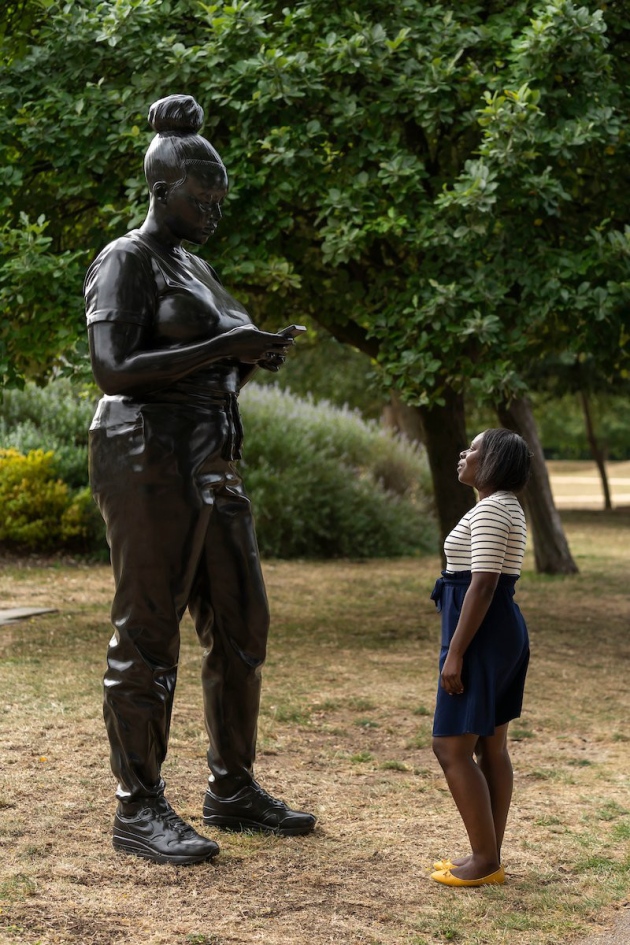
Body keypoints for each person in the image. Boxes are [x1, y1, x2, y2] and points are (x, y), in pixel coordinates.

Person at [84, 93, 316, 865]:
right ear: (162, 190)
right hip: (146, 453)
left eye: (220, 196)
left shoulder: (198, 265)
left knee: (243, 624)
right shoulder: (126, 259)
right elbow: (113, 369)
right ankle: (138, 804)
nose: (215, 207)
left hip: (215, 456)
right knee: (148, 630)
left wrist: (247, 355)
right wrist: (225, 349)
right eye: (201, 196)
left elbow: (215, 368)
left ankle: (233, 786)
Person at [428, 428, 531, 887]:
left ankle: (484, 860)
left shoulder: (492, 508)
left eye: (473, 449)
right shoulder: (504, 505)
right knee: (491, 746)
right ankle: (488, 854)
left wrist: (456, 653)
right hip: (498, 632)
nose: (463, 453)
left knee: (451, 747)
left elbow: (483, 583)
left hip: (482, 637)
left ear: (492, 463)